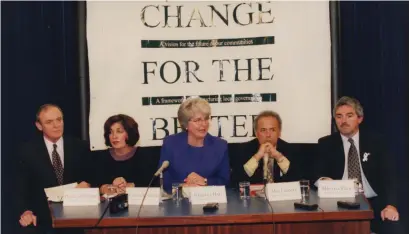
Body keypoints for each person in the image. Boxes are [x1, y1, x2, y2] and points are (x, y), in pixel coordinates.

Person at [314, 96, 400, 233]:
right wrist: (325, 181)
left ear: (359, 118)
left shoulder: (376, 142)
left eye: (349, 116)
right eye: (339, 116)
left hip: (374, 203)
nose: (344, 121)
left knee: (394, 226)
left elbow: (390, 177)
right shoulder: (326, 144)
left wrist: (391, 205)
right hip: (339, 204)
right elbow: (316, 174)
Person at [16, 104, 91, 234]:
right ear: (39, 126)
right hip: (43, 220)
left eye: (59, 119)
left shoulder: (80, 146)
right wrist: (25, 211)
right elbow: (19, 187)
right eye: (49, 122)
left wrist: (88, 183)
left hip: (76, 218)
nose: (56, 125)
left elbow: (92, 176)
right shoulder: (27, 151)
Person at [159, 97, 230, 193]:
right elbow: (165, 181)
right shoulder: (171, 144)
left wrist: (205, 181)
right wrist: (184, 186)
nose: (204, 124)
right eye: (198, 120)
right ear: (185, 124)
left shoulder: (220, 146)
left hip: (209, 201)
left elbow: (225, 180)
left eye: (206, 119)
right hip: (179, 202)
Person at [230, 110, 301, 187]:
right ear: (256, 133)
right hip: (254, 198)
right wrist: (257, 156)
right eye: (263, 130)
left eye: (272, 130)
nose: (268, 135)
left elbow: (297, 181)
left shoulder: (290, 149)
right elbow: (236, 181)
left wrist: (279, 157)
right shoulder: (244, 149)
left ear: (279, 132)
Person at [90, 114, 158, 194]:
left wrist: (131, 186)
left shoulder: (145, 156)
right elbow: (94, 184)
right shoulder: (101, 157)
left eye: (119, 131)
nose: (114, 136)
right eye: (110, 132)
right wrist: (106, 188)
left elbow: (153, 185)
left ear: (129, 133)